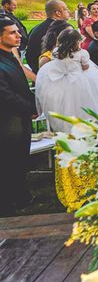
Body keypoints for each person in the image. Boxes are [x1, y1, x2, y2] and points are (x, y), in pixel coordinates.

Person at [0, 18, 36, 216]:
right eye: (12, 32)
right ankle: (6, 205)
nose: (19, 35)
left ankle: (18, 195)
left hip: (20, 119)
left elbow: (21, 84)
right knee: (8, 162)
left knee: (19, 160)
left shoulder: (10, 56)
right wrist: (28, 107)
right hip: (7, 122)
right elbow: (5, 95)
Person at [36, 29, 98, 133]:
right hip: (80, 82)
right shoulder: (83, 53)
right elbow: (85, 67)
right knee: (84, 104)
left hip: (59, 82)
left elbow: (57, 63)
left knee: (64, 106)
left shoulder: (56, 52)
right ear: (77, 41)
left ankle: (66, 129)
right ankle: (85, 130)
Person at [25, 0, 70, 73]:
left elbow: (28, 53)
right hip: (55, 73)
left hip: (38, 70)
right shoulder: (62, 29)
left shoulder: (36, 28)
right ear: (58, 13)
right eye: (65, 9)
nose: (68, 11)